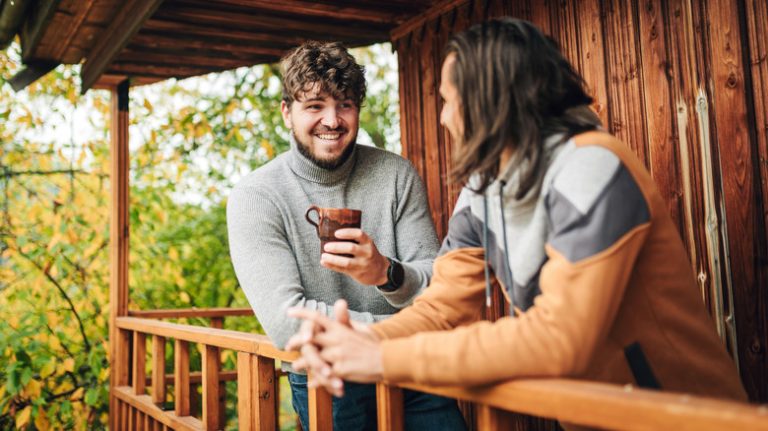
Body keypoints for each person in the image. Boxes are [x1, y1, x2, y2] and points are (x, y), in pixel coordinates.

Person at [287, 18, 748, 409]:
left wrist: (382, 361)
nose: (444, 117)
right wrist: (362, 342)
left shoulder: (592, 167)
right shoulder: (483, 189)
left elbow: (559, 338)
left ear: (492, 99)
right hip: (596, 415)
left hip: (683, 414)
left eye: (450, 99)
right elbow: (443, 307)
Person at [227, 41, 466, 430]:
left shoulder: (396, 175)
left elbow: (436, 285)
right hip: (329, 376)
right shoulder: (256, 197)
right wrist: (398, 333)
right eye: (315, 106)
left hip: (412, 373)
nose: (333, 120)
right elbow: (288, 322)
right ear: (287, 112)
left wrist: (387, 272)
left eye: (345, 105)